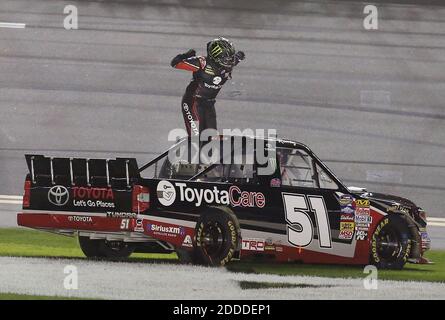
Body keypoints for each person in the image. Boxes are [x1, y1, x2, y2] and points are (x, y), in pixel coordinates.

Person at [171, 37, 245, 136]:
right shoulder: (202, 63)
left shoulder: (230, 62)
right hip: (192, 102)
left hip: (209, 103)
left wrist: (240, 55)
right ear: (215, 58)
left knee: (211, 138)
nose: (230, 62)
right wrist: (187, 55)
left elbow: (238, 57)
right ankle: (185, 148)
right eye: (226, 59)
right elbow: (175, 63)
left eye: (231, 58)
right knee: (196, 138)